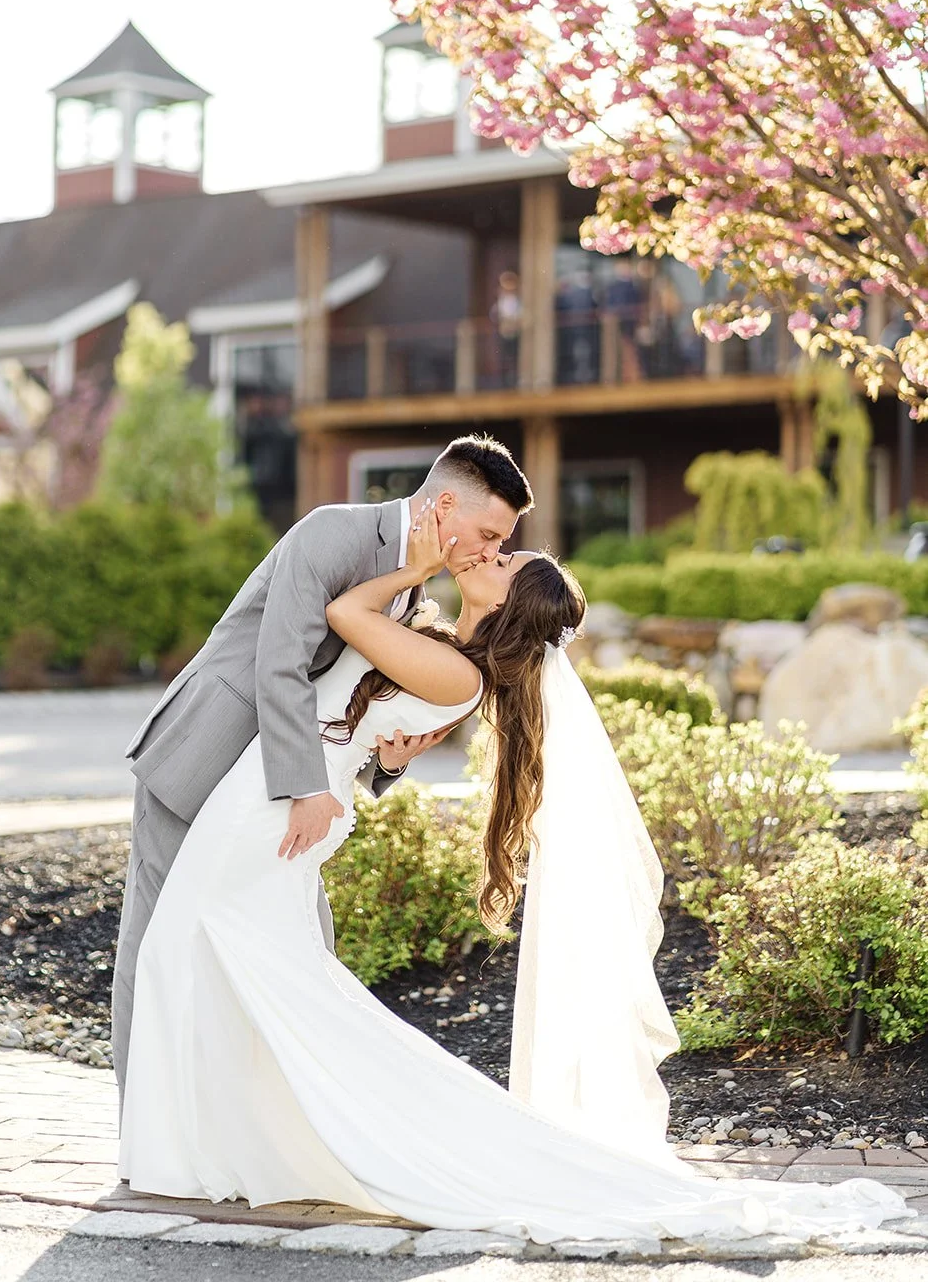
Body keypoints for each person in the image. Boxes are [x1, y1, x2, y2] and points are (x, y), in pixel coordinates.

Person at [117, 507, 907, 1243]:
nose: (488, 553)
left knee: (212, 953)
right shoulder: (451, 659)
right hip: (274, 803)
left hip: (275, 813)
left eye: (504, 559)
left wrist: (416, 564)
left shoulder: (457, 676)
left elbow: (343, 617)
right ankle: (219, 1145)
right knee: (211, 960)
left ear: (509, 607)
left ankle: (256, 1142)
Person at [111, 434, 534, 1093]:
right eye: (486, 533)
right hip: (204, 756)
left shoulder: (415, 591)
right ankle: (142, 1123)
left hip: (267, 788)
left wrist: (387, 764)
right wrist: (307, 786)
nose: (487, 551)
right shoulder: (334, 534)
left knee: (303, 947)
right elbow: (278, 665)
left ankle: (274, 1121)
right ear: (445, 504)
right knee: (158, 937)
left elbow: (349, 705)